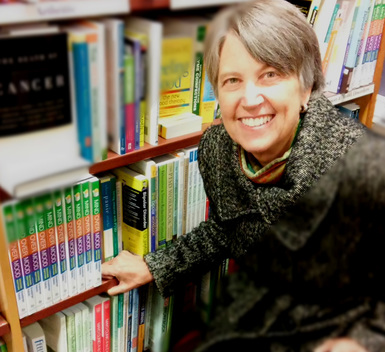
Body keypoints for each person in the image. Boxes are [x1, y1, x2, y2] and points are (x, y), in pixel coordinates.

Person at [101, 0, 385, 350]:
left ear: (306, 88)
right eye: (233, 80)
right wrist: (156, 266)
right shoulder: (218, 150)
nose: (250, 99)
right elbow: (227, 227)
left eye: (271, 74)